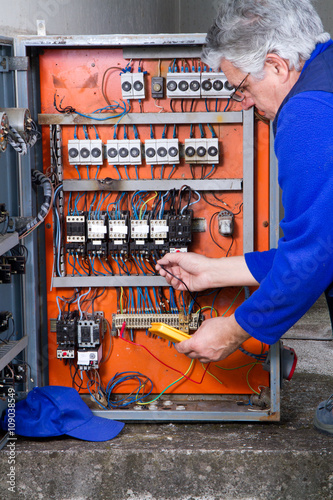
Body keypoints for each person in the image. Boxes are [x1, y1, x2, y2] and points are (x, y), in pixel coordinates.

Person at [156, 0, 333, 435]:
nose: (247, 104)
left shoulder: (308, 112)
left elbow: (315, 254)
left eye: (243, 88)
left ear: (275, 65)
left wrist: (236, 329)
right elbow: (322, 241)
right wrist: (215, 271)